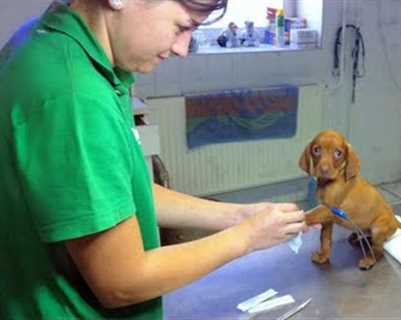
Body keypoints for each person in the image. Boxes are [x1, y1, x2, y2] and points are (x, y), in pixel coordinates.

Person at [0, 0, 307, 319]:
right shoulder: (75, 98)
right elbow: (121, 282)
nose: (182, 48)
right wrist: (246, 238)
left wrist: (239, 215)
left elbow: (115, 194)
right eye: (183, 26)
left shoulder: (50, 43)